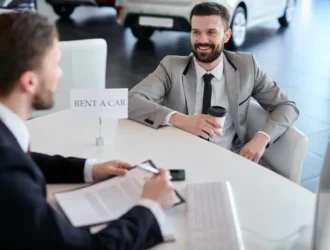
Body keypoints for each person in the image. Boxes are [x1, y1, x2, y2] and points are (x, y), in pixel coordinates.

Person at [0, 11, 176, 249]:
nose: (60, 73)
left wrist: (89, 169)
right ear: (29, 81)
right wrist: (150, 207)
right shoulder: (8, 173)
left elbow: (23, 160)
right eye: (56, 64)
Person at [128, 2, 299, 163]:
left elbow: (287, 106)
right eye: (196, 32)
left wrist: (261, 138)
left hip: (228, 159)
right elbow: (130, 100)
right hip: (179, 156)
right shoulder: (171, 67)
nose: (202, 40)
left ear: (226, 36)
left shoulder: (247, 67)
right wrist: (181, 120)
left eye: (211, 32)